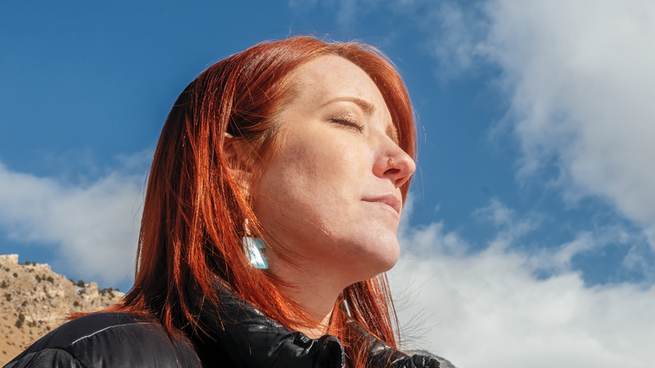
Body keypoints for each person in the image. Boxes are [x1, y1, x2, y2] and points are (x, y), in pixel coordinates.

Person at [4, 37, 455, 368]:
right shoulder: (96, 360)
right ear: (236, 165)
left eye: (396, 141)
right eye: (348, 121)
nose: (403, 164)